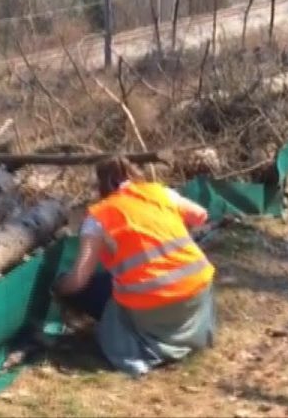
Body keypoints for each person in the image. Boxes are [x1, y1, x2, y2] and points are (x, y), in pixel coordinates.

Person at [53, 157, 216, 377]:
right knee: (110, 281)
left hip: (152, 304)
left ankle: (144, 347)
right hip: (197, 290)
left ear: (100, 186)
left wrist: (58, 288)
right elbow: (201, 215)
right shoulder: (158, 192)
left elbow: (78, 280)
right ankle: (188, 338)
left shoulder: (99, 216)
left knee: (89, 291)